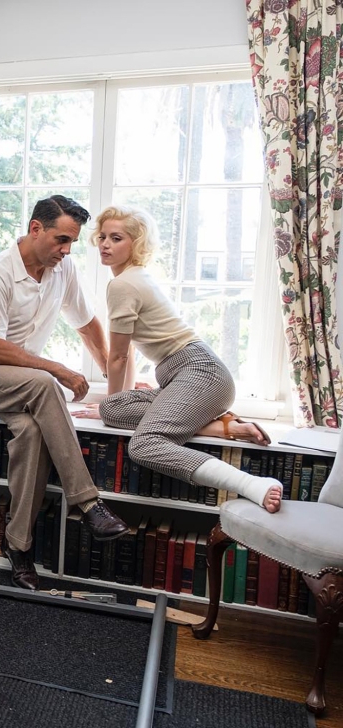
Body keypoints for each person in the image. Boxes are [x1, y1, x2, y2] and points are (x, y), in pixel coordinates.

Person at [0, 195, 130, 592]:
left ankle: (19, 546)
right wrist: (60, 369)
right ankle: (88, 503)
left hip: (19, 381)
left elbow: (85, 323)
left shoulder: (62, 270)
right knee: (47, 382)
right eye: (61, 240)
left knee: (31, 434)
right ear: (36, 229)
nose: (66, 251)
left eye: (71, 243)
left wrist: (109, 372)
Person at [72, 205, 282, 512]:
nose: (105, 244)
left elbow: (116, 356)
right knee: (114, 408)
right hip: (195, 375)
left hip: (199, 373)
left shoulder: (122, 283)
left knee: (144, 444)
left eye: (116, 238)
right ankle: (224, 426)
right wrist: (114, 405)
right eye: (102, 236)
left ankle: (252, 484)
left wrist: (110, 407)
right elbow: (125, 352)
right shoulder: (135, 277)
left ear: (136, 243)